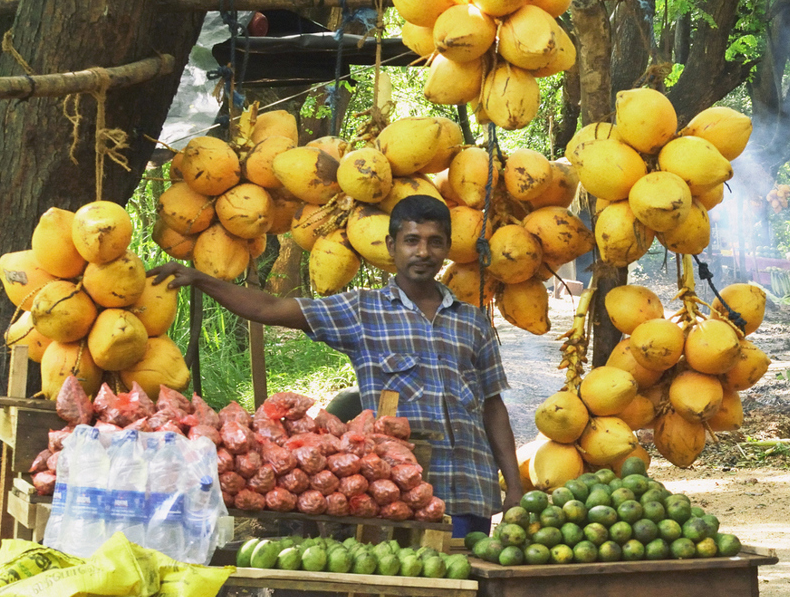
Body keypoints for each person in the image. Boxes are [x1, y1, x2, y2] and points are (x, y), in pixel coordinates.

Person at [147, 195, 523, 537]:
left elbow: (493, 407)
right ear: (392, 246)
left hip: (471, 489)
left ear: (446, 248)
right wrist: (200, 279)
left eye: (434, 241)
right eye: (412, 240)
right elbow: (269, 309)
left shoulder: (473, 321)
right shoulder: (362, 310)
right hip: (395, 496)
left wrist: (516, 488)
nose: (423, 251)